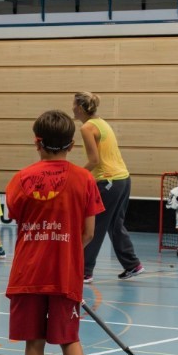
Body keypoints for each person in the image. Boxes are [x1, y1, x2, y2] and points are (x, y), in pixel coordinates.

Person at [5, 110, 108, 355]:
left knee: (33, 342)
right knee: (70, 339)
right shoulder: (84, 179)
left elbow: (17, 216)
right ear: (72, 144)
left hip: (27, 274)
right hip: (64, 273)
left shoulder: (20, 179)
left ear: (37, 142)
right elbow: (88, 233)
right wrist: (67, 251)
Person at [72, 92, 143, 282]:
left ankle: (85, 271)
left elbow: (94, 161)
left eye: (74, 105)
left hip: (108, 181)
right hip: (123, 179)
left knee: (94, 226)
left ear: (80, 108)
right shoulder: (101, 122)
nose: (72, 108)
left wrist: (76, 176)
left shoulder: (87, 128)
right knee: (114, 224)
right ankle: (132, 264)